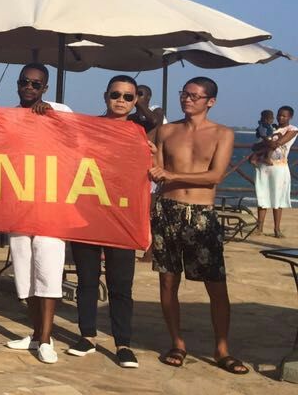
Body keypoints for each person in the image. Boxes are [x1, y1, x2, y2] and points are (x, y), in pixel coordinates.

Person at [150, 77, 244, 374]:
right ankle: (177, 343)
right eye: (184, 94)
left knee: (215, 284)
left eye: (194, 96)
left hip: (202, 213)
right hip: (167, 209)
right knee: (168, 281)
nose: (187, 99)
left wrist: (171, 175)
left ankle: (222, 348)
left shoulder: (222, 133)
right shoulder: (166, 131)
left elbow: (215, 176)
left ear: (210, 101)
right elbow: (149, 163)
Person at [66, 76, 144, 367]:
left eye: (128, 96)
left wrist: (154, 157)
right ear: (105, 96)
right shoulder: (87, 127)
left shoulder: (139, 133)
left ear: (135, 101)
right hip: (87, 213)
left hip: (123, 218)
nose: (121, 101)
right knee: (87, 280)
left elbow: (155, 164)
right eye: (116, 94)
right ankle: (87, 336)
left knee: (121, 285)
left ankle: (123, 343)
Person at [4, 63, 72, 364]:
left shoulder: (60, 112)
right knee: (25, 273)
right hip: (18, 205)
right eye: (25, 82)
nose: (29, 88)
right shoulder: (8, 116)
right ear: (18, 84)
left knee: (48, 269)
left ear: (45, 88)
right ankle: (36, 333)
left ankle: (46, 339)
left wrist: (53, 114)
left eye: (36, 84)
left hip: (51, 206)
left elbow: (81, 140)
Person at [255, 105, 296, 238]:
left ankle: (276, 229)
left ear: (290, 117)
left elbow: (278, 143)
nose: (280, 118)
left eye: (284, 116)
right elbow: (256, 146)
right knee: (262, 196)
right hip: (264, 166)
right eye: (279, 115)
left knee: (277, 198)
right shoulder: (269, 127)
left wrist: (267, 140)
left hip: (279, 167)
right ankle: (259, 227)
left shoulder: (292, 129)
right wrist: (267, 141)